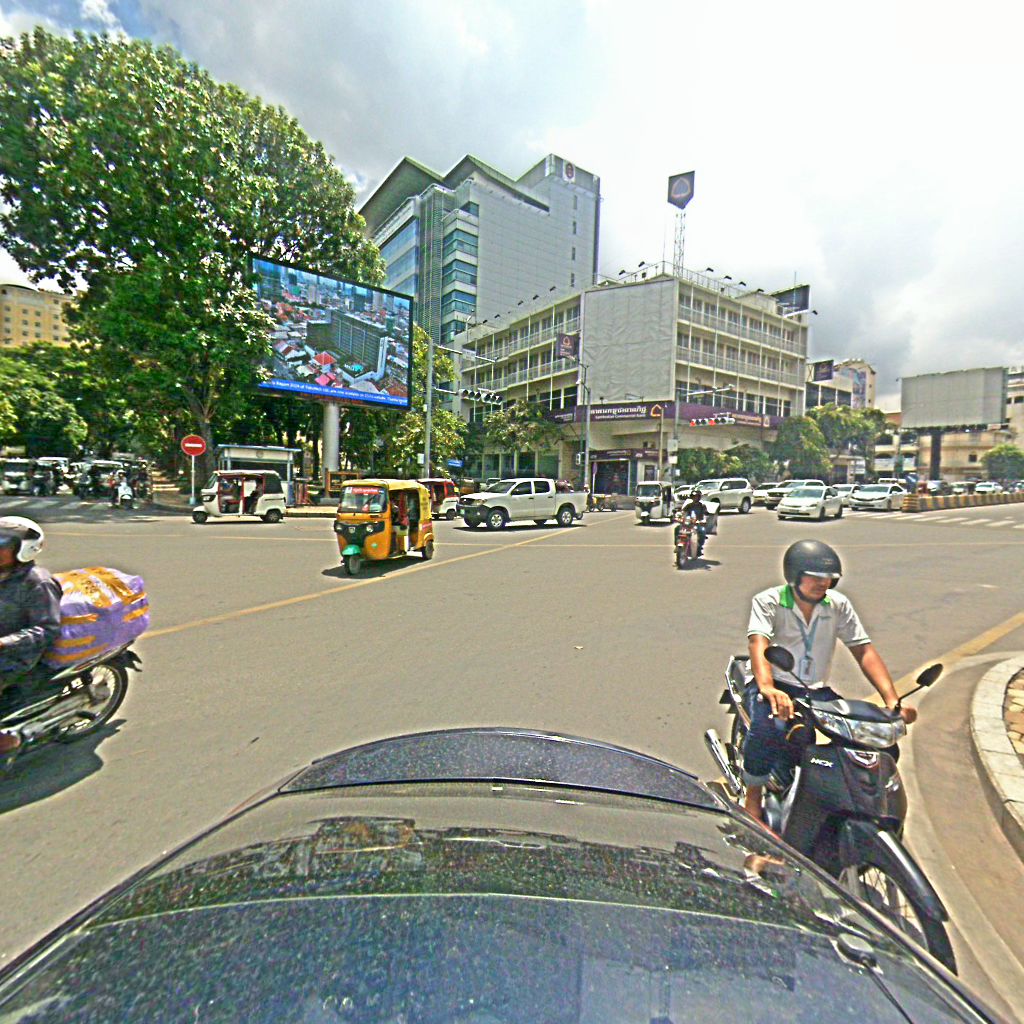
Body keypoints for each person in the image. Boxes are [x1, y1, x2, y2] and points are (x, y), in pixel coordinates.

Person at [742, 539, 916, 822]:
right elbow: (758, 642)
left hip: (816, 691)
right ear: (795, 575)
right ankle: (752, 797)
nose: (823, 583)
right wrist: (768, 687)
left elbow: (863, 650)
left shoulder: (837, 605)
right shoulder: (769, 600)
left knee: (874, 737)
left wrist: (892, 701)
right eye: (815, 577)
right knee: (767, 727)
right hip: (776, 682)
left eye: (829, 578)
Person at [0, 517, 63, 754]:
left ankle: (9, 741)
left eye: (2, 544)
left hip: (16, 655)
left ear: (24, 550)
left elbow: (47, 629)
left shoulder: (37, 583)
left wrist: (4, 643)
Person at [675, 488, 709, 555]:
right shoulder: (689, 505)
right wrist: (678, 516)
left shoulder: (702, 506)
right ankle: (677, 544)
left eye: (697, 496)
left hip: (697, 524)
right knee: (677, 529)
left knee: (702, 531)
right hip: (687, 523)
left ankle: (699, 548)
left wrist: (704, 520)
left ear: (699, 497)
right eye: (694, 496)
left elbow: (705, 514)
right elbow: (682, 512)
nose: (695, 498)